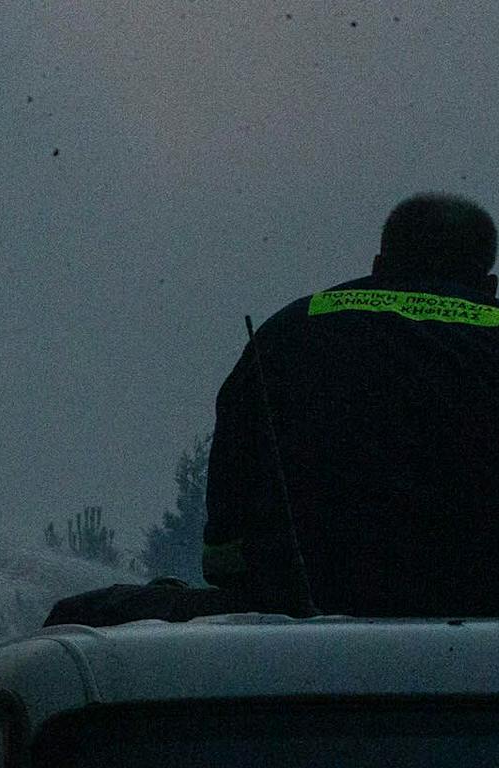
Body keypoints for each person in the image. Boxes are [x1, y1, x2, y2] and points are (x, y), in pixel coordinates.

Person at [45, 193, 499, 629]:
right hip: (480, 610)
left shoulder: (291, 329)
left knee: (83, 618)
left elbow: (223, 552)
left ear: (378, 266)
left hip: (288, 611)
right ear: (489, 284)